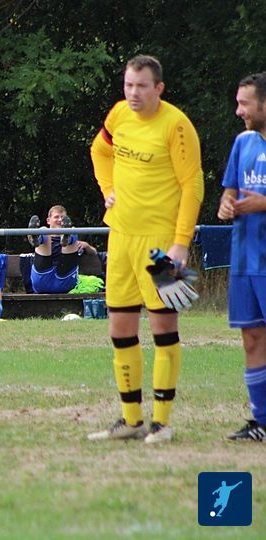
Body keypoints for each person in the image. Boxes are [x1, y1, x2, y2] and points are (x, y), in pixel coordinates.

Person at [88, 55, 203, 444]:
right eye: (128, 85)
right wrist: (108, 189)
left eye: (141, 86)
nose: (133, 93)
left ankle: (162, 423)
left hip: (160, 245)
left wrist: (180, 243)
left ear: (159, 88)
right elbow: (99, 151)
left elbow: (192, 185)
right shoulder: (119, 114)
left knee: (163, 329)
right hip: (120, 237)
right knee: (120, 329)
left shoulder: (176, 125)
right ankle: (131, 419)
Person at [217, 72, 266, 442]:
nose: (239, 111)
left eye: (244, 103)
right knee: (251, 338)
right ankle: (261, 421)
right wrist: (227, 204)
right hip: (245, 258)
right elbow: (230, 190)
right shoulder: (242, 142)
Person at [26, 205, 98, 294]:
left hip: (65, 281)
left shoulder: (76, 242)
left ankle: (67, 237)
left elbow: (94, 253)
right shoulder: (45, 237)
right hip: (42, 280)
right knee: (44, 230)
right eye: (56, 217)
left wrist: (87, 246)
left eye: (63, 218)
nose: (60, 220)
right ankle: (36, 237)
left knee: (73, 231)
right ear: (48, 220)